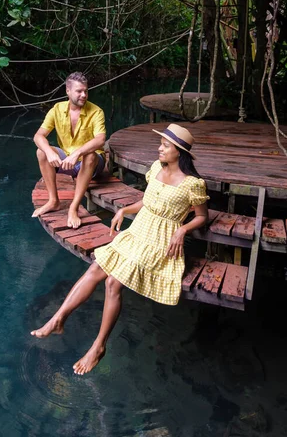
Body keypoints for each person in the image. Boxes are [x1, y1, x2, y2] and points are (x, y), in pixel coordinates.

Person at [31, 124, 209, 375]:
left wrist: (182, 229)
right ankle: (59, 318)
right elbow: (148, 202)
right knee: (96, 267)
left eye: (165, 146)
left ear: (178, 152)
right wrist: (125, 210)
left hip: (160, 241)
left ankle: (98, 346)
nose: (160, 148)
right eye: (161, 144)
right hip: (138, 230)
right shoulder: (157, 169)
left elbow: (202, 216)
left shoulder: (193, 184)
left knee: (113, 281)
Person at [32, 72, 106, 229]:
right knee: (41, 152)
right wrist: (50, 152)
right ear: (68, 91)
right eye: (79, 91)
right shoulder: (57, 109)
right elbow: (38, 136)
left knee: (90, 156)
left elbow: (100, 139)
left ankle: (74, 207)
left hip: (91, 162)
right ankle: (53, 201)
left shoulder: (96, 111)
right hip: (66, 160)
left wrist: (77, 153)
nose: (84, 95)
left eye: (86, 91)